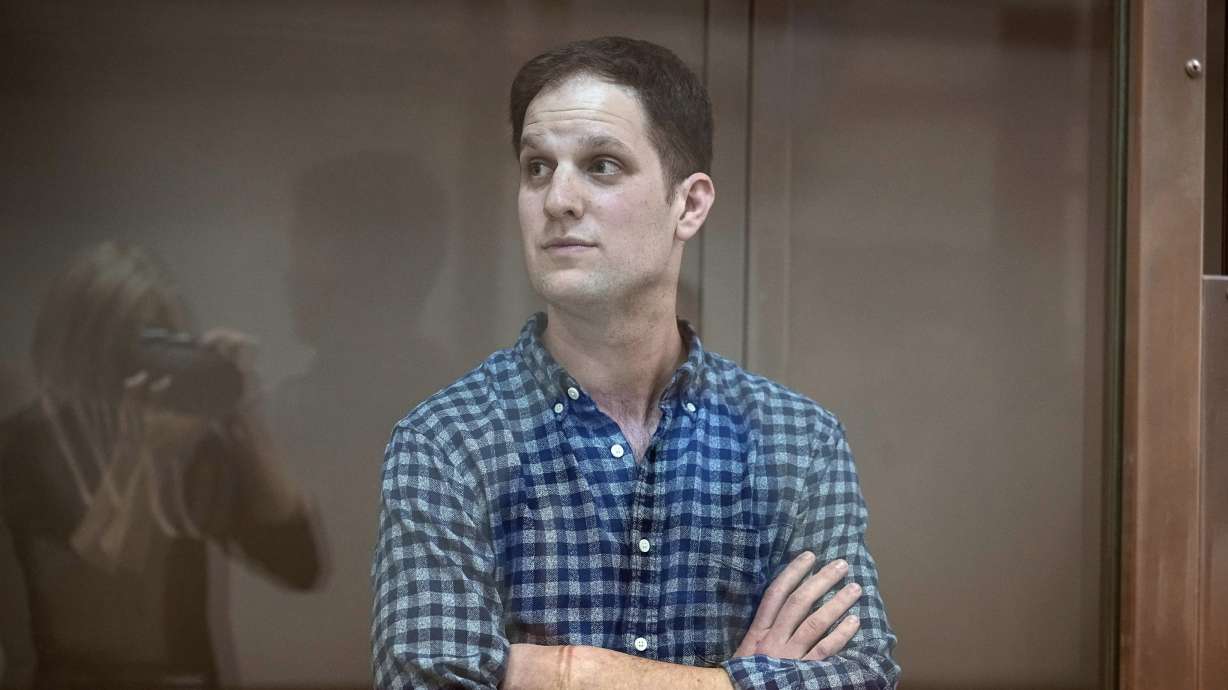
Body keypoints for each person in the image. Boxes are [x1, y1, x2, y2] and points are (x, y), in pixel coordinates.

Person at [370, 36, 899, 689]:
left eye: (601, 165)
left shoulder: (796, 440)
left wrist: (552, 670)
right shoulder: (446, 443)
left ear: (690, 204)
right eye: (537, 167)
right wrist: (739, 681)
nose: (558, 199)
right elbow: (426, 679)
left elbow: (863, 675)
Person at [0, 241, 322, 689]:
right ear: (84, 343)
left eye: (165, 341)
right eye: (136, 342)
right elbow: (97, 612)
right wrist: (141, 454)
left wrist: (243, 412)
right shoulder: (25, 447)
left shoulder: (191, 443)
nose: (149, 364)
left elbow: (298, 563)